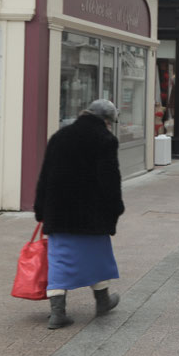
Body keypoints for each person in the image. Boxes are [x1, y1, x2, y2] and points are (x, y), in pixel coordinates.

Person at [34, 99, 125, 329]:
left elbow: (45, 176)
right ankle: (102, 302)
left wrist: (40, 208)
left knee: (59, 260)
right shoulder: (105, 140)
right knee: (97, 257)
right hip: (92, 214)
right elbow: (110, 180)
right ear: (106, 121)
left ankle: (57, 313)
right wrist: (115, 208)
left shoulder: (59, 137)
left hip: (59, 212)